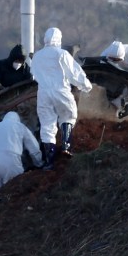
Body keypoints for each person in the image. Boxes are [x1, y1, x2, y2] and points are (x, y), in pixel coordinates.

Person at [31, 27, 92, 167]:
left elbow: (33, 74)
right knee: (68, 115)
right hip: (61, 90)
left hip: (44, 93)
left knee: (47, 125)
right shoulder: (62, 54)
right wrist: (86, 85)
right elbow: (74, 73)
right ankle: (65, 146)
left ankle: (49, 161)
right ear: (59, 39)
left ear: (45, 39)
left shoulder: (37, 56)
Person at [0, 111, 42, 194]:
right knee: (16, 193)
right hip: (10, 162)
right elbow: (33, 147)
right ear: (17, 120)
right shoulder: (19, 126)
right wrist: (39, 164)